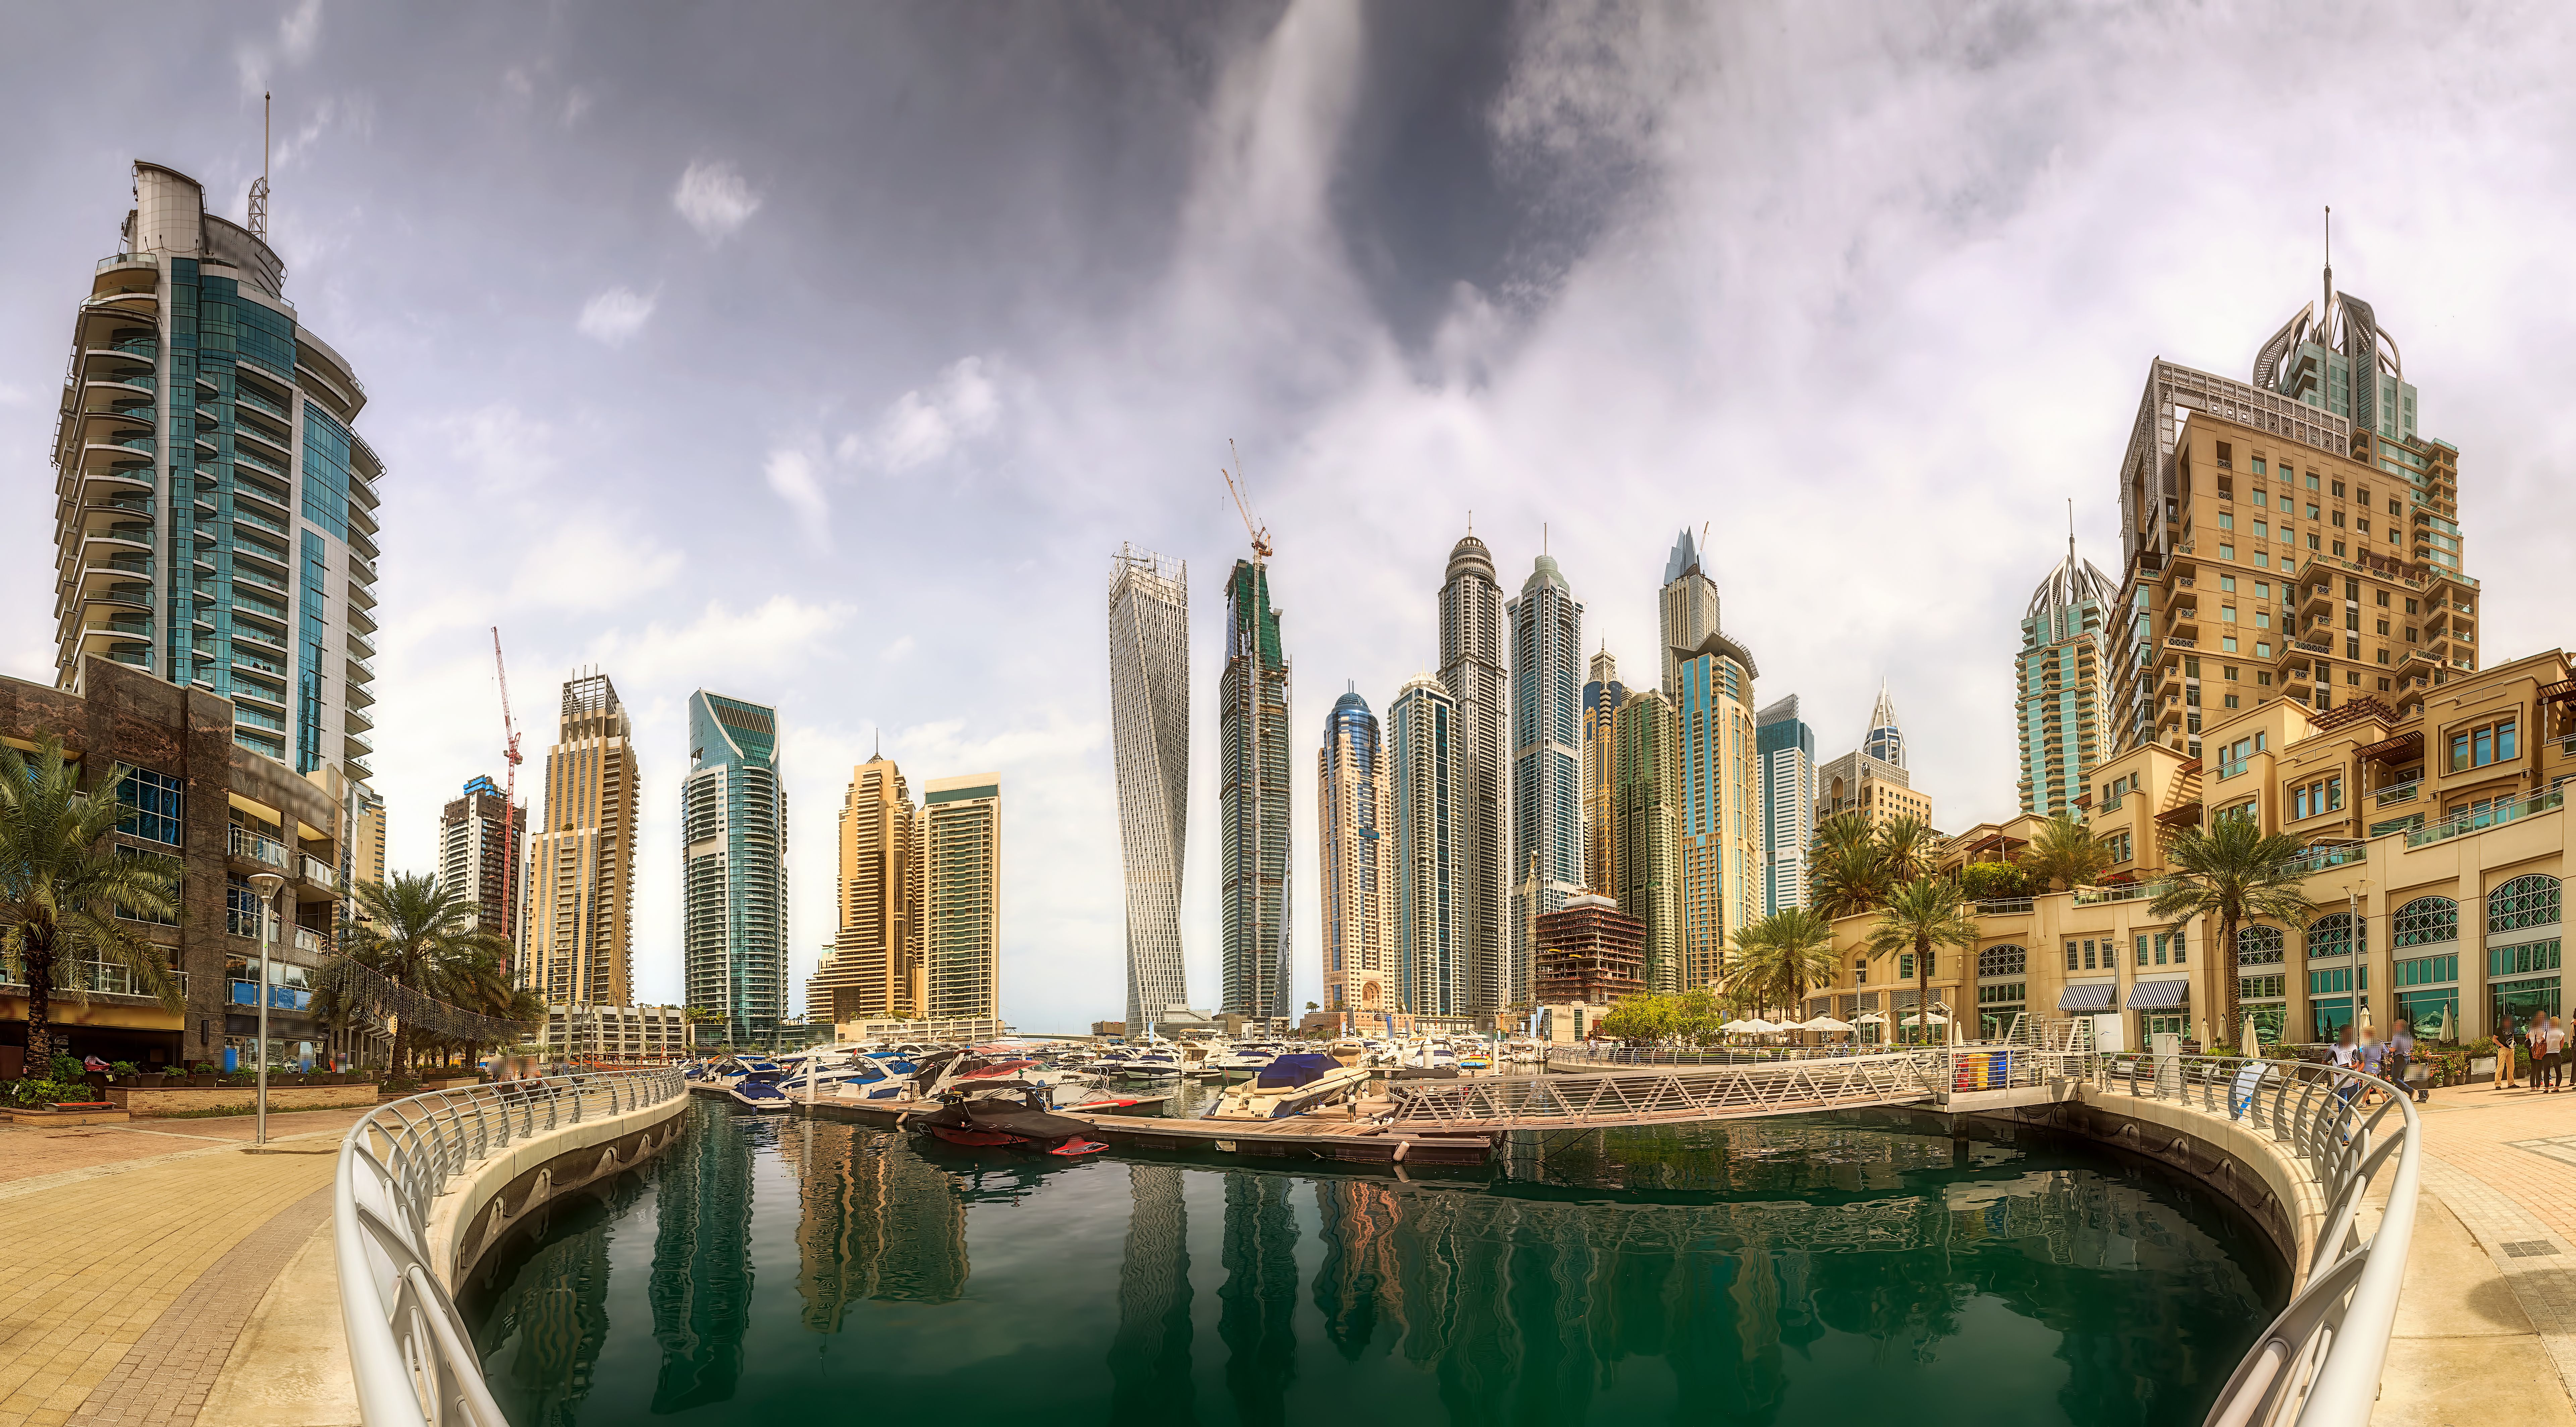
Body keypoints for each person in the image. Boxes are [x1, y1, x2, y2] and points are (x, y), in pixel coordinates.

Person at [2386, 1018, 2420, 1105]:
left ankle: (2410, 1091)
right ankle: (2400, 1097)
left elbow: (2393, 1049)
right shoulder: (2408, 1036)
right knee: (2401, 1078)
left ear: (2400, 1027)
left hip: (2400, 1058)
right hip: (2407, 1058)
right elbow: (2411, 1048)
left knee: (2396, 1078)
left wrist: (2388, 1049)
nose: (2394, 1028)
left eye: (2396, 1026)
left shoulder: (2397, 1037)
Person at [2548, 1015, 2569, 1094]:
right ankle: (2557, 1087)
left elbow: (2544, 1043)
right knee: (2558, 1071)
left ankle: (2547, 1088)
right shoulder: (2561, 1033)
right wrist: (2558, 1049)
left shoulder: (2547, 1032)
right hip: (2557, 1053)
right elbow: (2562, 1045)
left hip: (2548, 1053)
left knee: (2547, 1071)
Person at [2498, 1015, 2520, 1089]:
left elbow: (2512, 1037)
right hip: (2503, 1050)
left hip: (2511, 1049)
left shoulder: (2511, 1029)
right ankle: (2498, 1084)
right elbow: (2494, 1039)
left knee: (2511, 1067)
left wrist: (2513, 1046)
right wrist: (2501, 1046)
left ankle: (2511, 1083)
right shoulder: (2499, 1030)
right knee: (2500, 1067)